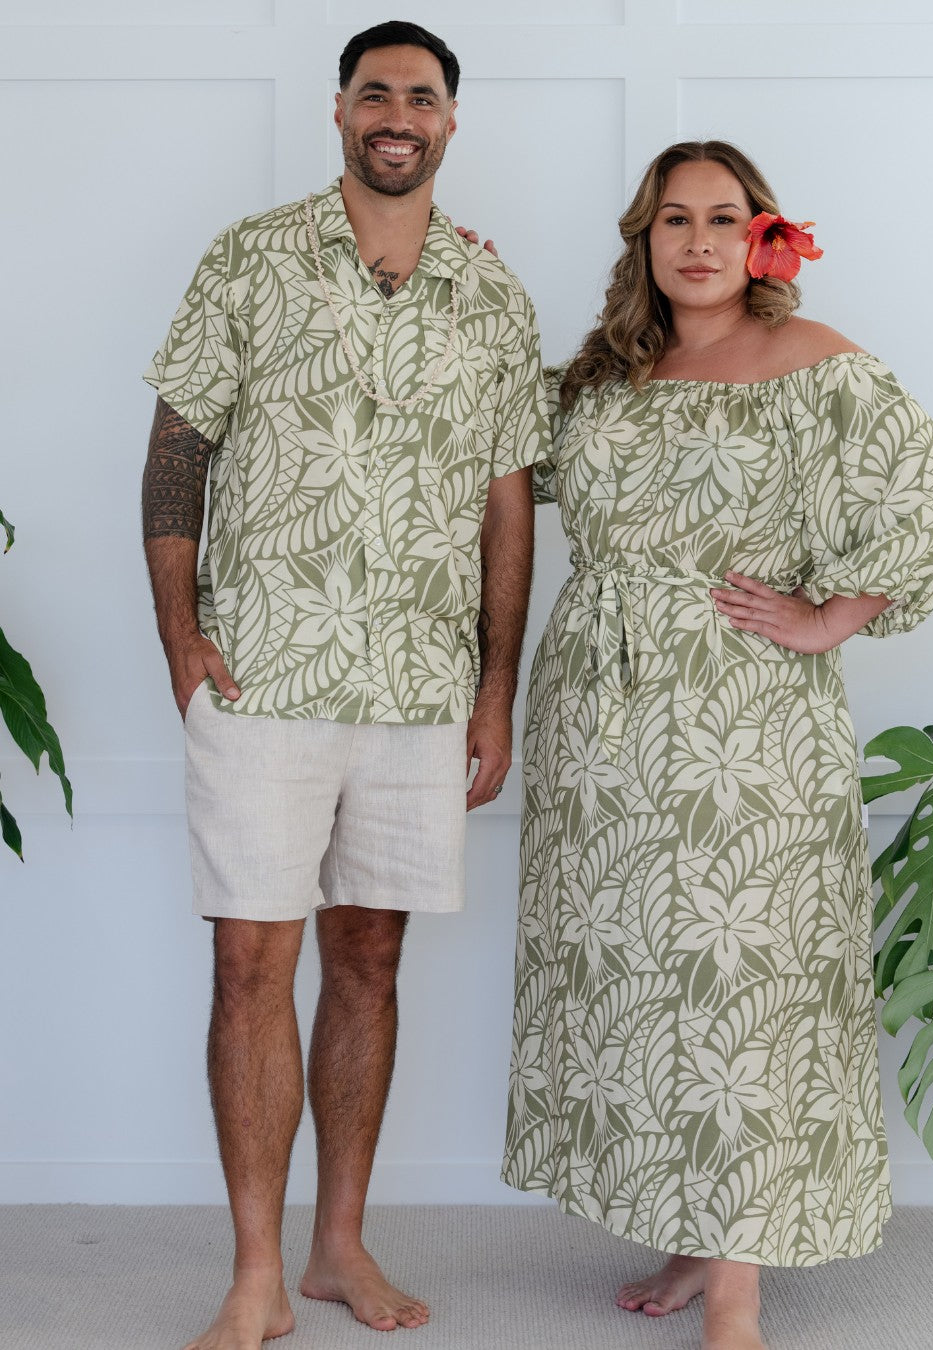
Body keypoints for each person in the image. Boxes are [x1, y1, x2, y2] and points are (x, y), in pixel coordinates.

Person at [502, 140, 933, 1350]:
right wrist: (471, 297)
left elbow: (927, 489)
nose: (698, 241)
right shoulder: (605, 374)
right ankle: (692, 1234)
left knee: (744, 984)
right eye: (674, 220)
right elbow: (491, 453)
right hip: (598, 722)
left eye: (723, 218)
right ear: (644, 239)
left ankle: (739, 1291)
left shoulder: (811, 360)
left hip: (744, 719)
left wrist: (830, 617)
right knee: (648, 985)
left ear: (762, 237)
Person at [141, 21, 547, 1350]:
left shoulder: (492, 296)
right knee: (249, 963)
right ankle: (255, 1270)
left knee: (370, 960)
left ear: (449, 122)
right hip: (262, 672)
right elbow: (177, 450)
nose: (397, 115)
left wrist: (495, 689)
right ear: (338, 112)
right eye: (375, 92)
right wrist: (179, 638)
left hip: (419, 689)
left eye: (421, 96)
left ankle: (337, 1244)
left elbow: (507, 505)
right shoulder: (249, 257)